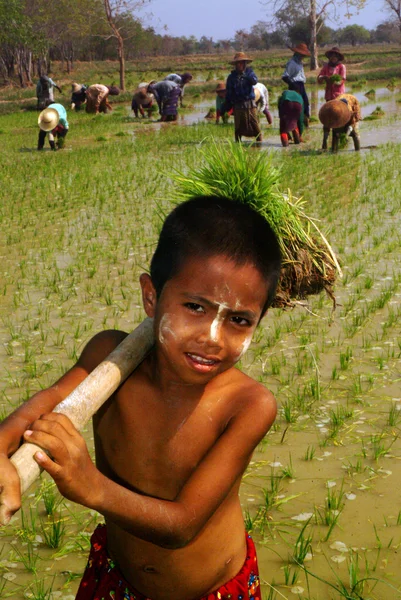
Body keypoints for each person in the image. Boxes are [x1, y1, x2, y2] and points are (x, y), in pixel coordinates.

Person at [0, 195, 281, 600]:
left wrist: (92, 486)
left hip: (213, 591)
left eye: (238, 320)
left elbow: (181, 525)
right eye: (194, 306)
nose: (212, 338)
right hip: (119, 578)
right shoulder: (109, 359)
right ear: (151, 296)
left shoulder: (249, 406)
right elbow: (50, 402)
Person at [224, 52, 262, 143]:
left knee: (254, 123)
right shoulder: (231, 77)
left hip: (249, 103)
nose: (240, 65)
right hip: (237, 104)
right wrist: (227, 105)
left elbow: (254, 81)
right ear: (235, 65)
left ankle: (259, 142)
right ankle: (238, 144)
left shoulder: (250, 73)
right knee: (238, 127)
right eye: (238, 63)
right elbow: (229, 92)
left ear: (245, 64)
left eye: (242, 63)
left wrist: (245, 75)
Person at [282, 43, 310, 127]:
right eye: (301, 54)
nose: (302, 56)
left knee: (306, 103)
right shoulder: (292, 63)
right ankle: (296, 124)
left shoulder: (299, 62)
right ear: (297, 53)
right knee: (297, 106)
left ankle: (305, 122)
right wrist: (293, 85)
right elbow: (285, 76)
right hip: (294, 86)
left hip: (301, 85)